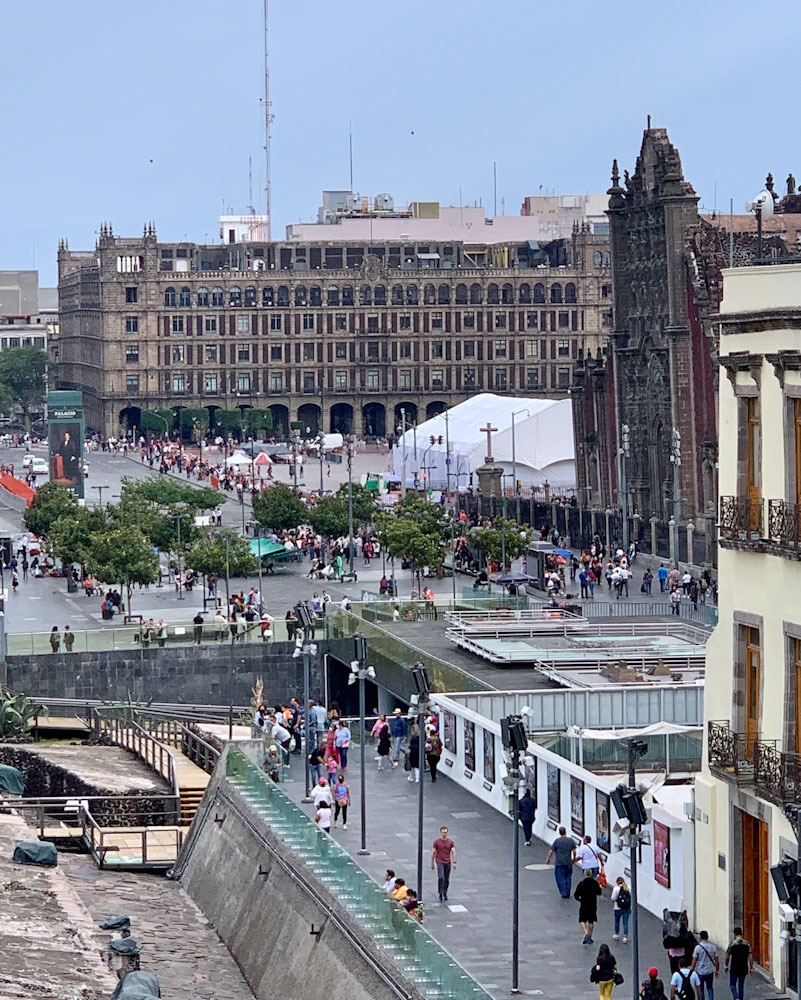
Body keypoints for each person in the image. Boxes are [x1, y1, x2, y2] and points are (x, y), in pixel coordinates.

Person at [546, 826, 576, 898]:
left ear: (559, 832)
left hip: (559, 862)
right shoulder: (570, 840)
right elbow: (574, 851)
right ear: (565, 831)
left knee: (560, 878)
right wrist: (574, 858)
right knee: (568, 877)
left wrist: (548, 859)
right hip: (568, 862)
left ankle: (563, 892)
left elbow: (551, 851)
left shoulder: (557, 841)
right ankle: (568, 891)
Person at [574, 868, 602, 944]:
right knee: (591, 920)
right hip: (592, 904)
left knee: (582, 920)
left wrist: (580, 900)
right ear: (591, 874)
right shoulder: (595, 883)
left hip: (584, 904)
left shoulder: (582, 883)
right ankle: (590, 935)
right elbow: (599, 892)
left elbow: (576, 895)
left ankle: (586, 933)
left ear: (585, 874)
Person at [724, 928, 752, 1000]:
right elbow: (750, 956)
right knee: (741, 985)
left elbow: (727, 956)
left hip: (734, 967)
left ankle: (736, 997)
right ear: (741, 934)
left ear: (734, 934)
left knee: (732, 984)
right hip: (744, 967)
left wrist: (726, 965)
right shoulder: (747, 944)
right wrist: (751, 967)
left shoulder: (732, 944)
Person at [691, 931, 719, 1000]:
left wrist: (691, 970)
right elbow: (716, 960)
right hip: (710, 970)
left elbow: (694, 960)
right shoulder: (713, 947)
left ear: (700, 937)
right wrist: (717, 970)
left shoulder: (697, 948)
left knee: (701, 989)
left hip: (700, 971)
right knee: (710, 987)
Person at [431, 825, 456, 902]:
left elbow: (453, 851)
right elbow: (433, 852)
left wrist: (454, 862)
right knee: (441, 877)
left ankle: (445, 892)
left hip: (447, 862)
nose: (444, 834)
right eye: (443, 832)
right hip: (439, 861)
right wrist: (432, 863)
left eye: (445, 832)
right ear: (440, 833)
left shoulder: (450, 842)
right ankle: (440, 892)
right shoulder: (437, 842)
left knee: (447, 879)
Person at [611, 876, 631, 942]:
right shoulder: (628, 887)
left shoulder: (616, 888)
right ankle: (625, 937)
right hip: (626, 908)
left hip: (617, 908)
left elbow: (613, 898)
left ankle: (617, 935)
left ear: (617, 882)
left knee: (617, 921)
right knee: (625, 923)